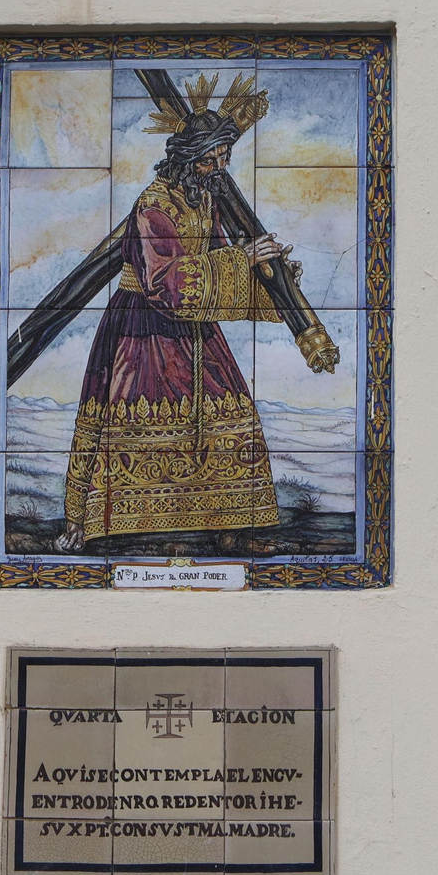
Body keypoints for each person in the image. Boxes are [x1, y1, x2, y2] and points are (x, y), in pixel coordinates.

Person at [55, 82, 299, 554]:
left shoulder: (204, 199)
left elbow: (222, 262)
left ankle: (230, 525)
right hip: (143, 328)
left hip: (196, 326)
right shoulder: (153, 205)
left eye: (225, 157)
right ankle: (94, 522)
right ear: (189, 158)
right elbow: (162, 281)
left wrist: (266, 269)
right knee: (123, 415)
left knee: (229, 413)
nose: (220, 167)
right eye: (213, 159)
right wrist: (241, 260)